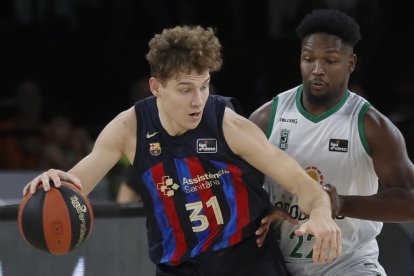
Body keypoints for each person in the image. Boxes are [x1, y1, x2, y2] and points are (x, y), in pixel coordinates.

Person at [23, 25, 341, 276]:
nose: (198, 100)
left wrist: (322, 212)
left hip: (245, 262)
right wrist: (57, 181)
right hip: (179, 268)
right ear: (156, 87)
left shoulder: (227, 124)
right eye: (185, 90)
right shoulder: (129, 128)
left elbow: (301, 183)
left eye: (203, 86)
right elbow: (78, 184)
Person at [250, 9, 414, 276]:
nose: (317, 70)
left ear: (351, 63)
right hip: (278, 264)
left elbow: (410, 201)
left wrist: (341, 204)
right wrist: (261, 208)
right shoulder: (267, 116)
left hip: (348, 263)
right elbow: (233, 183)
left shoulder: (371, 125)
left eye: (331, 60)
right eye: (308, 59)